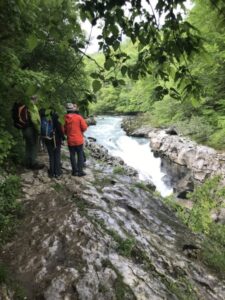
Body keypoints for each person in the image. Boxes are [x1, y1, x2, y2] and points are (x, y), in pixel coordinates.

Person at [64, 103, 88, 176]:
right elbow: (84, 128)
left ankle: (74, 171)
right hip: (78, 139)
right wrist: (79, 131)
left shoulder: (64, 118)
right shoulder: (79, 117)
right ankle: (80, 171)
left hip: (70, 140)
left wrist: (67, 133)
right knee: (80, 154)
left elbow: (63, 130)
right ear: (73, 110)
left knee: (72, 155)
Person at [40, 108, 65, 179]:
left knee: (51, 155)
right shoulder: (56, 116)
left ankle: (51, 173)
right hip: (56, 139)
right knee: (57, 155)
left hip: (47, 138)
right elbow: (60, 129)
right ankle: (57, 173)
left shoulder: (43, 117)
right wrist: (63, 138)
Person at [21, 95, 44, 169]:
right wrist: (38, 129)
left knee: (28, 146)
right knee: (34, 146)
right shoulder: (33, 107)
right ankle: (33, 164)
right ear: (35, 99)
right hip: (31, 129)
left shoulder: (25, 106)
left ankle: (26, 162)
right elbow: (34, 120)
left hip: (24, 129)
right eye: (37, 99)